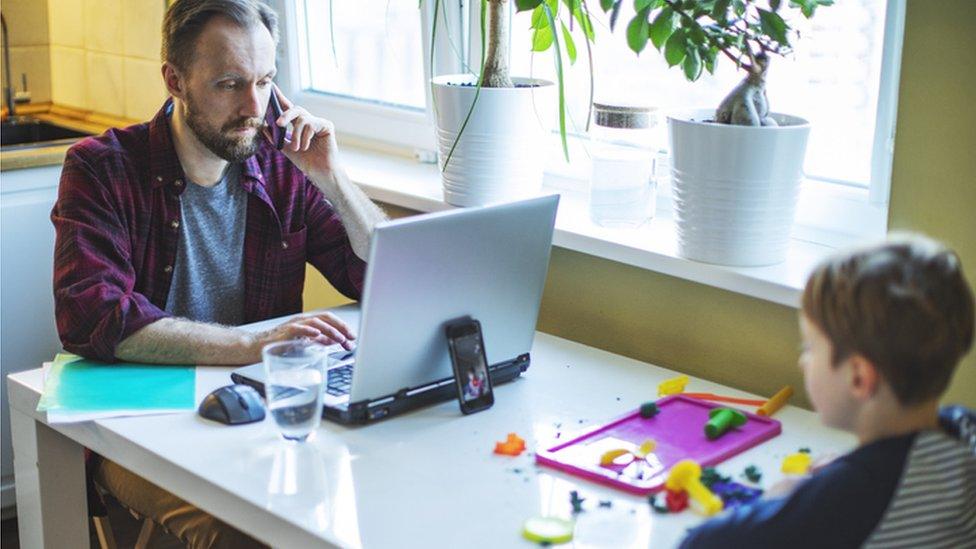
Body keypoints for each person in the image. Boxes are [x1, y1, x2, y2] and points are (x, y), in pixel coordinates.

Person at [50, 1, 387, 546]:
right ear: (175, 80)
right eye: (229, 84)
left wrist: (334, 178)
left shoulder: (282, 165)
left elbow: (377, 279)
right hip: (141, 421)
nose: (253, 106)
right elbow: (93, 316)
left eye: (265, 81)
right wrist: (254, 344)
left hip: (256, 412)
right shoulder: (100, 167)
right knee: (252, 533)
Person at [681, 234, 976, 548]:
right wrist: (846, 476)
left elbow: (702, 544)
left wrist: (781, 503)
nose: (802, 360)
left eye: (810, 347)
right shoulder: (964, 430)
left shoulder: (855, 496)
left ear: (859, 378)